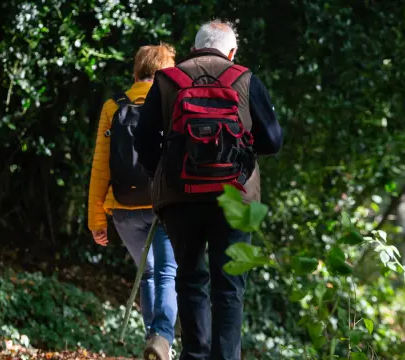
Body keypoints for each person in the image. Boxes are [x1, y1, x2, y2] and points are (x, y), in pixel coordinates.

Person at [133, 19, 283, 360]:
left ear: (195, 47)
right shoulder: (244, 78)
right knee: (229, 286)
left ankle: (195, 355)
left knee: (189, 278)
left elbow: (142, 141)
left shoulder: (169, 80)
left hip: (181, 197)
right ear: (231, 51)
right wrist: (240, 152)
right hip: (235, 198)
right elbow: (273, 140)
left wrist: (163, 172)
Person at [87, 44, 178, 359]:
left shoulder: (114, 106)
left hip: (123, 209)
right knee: (167, 272)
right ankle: (162, 337)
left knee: (149, 272)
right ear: (168, 72)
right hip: (163, 205)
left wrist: (97, 220)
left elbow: (101, 166)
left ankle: (154, 338)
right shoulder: (173, 103)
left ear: (136, 71)